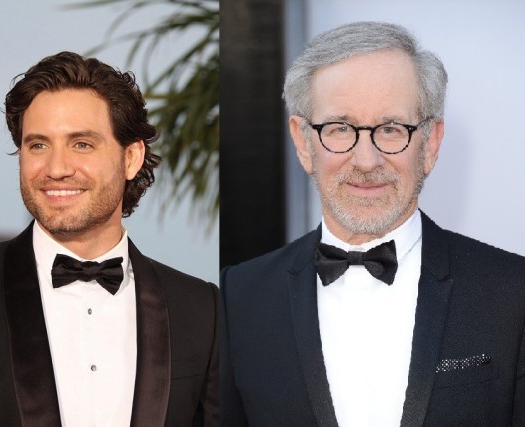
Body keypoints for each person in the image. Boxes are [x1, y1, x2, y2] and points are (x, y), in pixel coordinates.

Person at [219, 22, 525, 426]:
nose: (366, 161)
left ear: (430, 143)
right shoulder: (236, 299)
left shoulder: (512, 293)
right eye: (340, 129)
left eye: (391, 129)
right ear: (303, 142)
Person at [0, 51, 218, 427]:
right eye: (38, 145)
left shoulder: (201, 309)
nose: (57, 169)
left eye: (81, 144)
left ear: (130, 158)